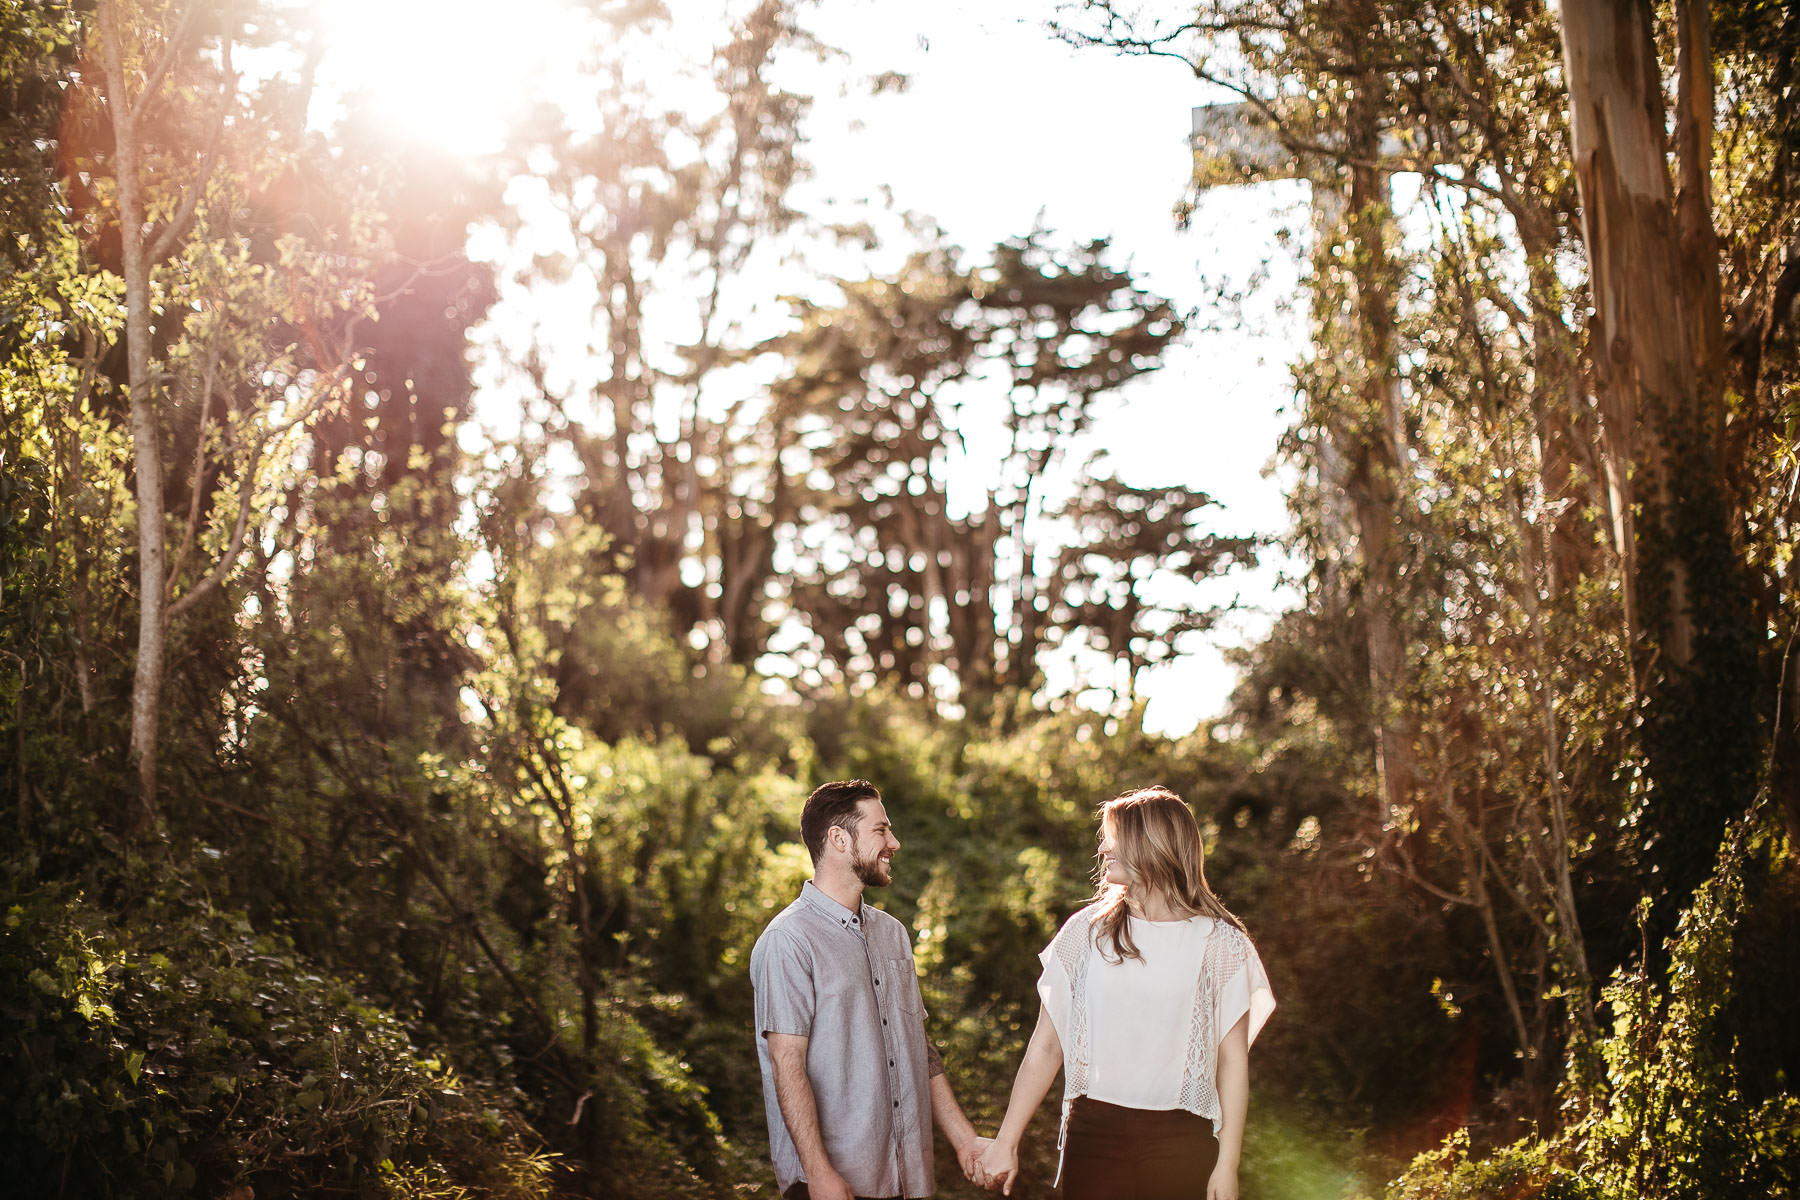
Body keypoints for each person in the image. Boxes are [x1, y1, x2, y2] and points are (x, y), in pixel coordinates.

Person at [974, 786, 1275, 1200]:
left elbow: (1232, 1065)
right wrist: (1006, 1140)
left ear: (1152, 845)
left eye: (1114, 838)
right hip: (1093, 1135)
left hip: (1181, 1140)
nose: (1103, 848)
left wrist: (1227, 1165)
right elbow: (1046, 1046)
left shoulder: (1222, 945)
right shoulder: (1086, 932)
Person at [751, 779, 988, 1200]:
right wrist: (819, 1173)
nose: (893, 842)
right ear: (839, 839)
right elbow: (786, 1063)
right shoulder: (789, 940)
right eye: (880, 830)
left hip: (907, 1179)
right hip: (832, 1186)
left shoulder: (893, 934)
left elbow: (918, 1044)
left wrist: (964, 1139)